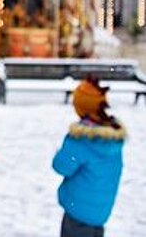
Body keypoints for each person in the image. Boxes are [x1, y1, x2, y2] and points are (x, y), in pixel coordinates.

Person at [53, 77, 125, 237]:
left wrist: (64, 147)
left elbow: (61, 166)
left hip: (77, 210)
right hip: (100, 212)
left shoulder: (80, 139)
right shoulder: (113, 137)